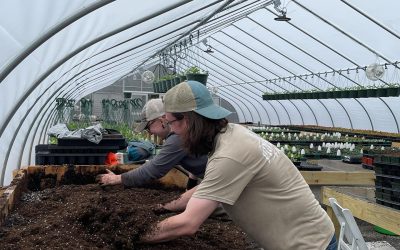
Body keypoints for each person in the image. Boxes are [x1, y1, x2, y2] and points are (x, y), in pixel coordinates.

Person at [140, 81, 337, 250]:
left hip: (310, 245)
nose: (172, 130)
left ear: (189, 120)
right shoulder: (230, 134)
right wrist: (163, 207)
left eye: (171, 122)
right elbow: (207, 188)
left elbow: (188, 224)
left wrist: (133, 234)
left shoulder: (229, 156)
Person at [97, 98, 207, 188]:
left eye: (148, 126)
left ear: (162, 120)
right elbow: (195, 159)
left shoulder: (177, 138)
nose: (149, 132)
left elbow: (154, 169)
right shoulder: (182, 133)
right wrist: (191, 185)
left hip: (219, 186)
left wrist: (117, 178)